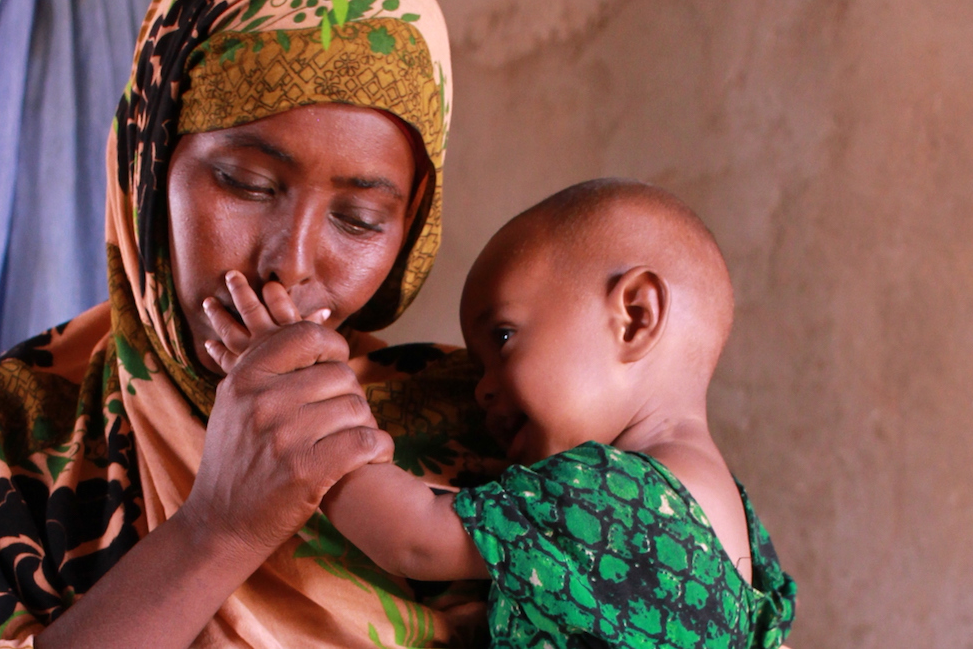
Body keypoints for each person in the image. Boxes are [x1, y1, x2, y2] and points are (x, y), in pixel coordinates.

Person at [0, 0, 502, 648]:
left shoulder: (484, 427)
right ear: (147, 164)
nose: (290, 262)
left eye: (358, 220)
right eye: (244, 183)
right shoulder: (3, 437)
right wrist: (216, 528)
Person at [204, 179, 798, 648]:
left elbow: (413, 540)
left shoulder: (615, 493)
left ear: (635, 317)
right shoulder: (735, 521)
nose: (482, 388)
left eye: (505, 337)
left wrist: (297, 397)